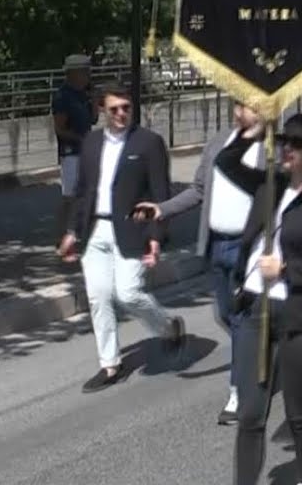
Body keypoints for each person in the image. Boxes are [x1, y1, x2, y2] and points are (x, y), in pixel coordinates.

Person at [218, 114, 302, 485]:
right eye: (282, 141)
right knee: (250, 414)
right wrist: (253, 131)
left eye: (296, 143)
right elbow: (225, 162)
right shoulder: (270, 185)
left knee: (298, 415)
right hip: (255, 310)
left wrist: (287, 269)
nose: (286, 149)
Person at [135, 101, 263, 424]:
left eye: (251, 105)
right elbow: (198, 190)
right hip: (216, 243)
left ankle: (239, 391)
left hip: (249, 248)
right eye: (240, 104)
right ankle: (258, 351)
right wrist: (162, 209)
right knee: (224, 315)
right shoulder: (219, 141)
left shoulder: (272, 148)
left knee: (241, 319)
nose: (243, 110)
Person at [57, 84, 186, 393]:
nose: (121, 114)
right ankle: (110, 365)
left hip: (132, 229)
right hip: (95, 230)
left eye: (126, 107)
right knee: (98, 297)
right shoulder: (92, 142)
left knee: (128, 293)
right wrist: (72, 232)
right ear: (102, 109)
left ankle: (168, 326)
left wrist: (156, 236)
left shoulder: (149, 143)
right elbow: (82, 192)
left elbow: (160, 193)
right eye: (114, 109)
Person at [52, 55, 98, 237]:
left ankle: (82, 230)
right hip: (70, 152)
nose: (88, 76)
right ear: (73, 73)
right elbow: (60, 129)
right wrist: (80, 139)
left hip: (85, 150)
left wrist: (94, 101)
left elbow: (93, 120)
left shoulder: (83, 94)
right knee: (69, 196)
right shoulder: (63, 96)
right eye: (85, 72)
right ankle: (61, 234)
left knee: (89, 192)